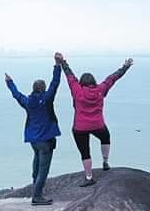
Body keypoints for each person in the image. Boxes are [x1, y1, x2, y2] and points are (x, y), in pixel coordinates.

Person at [57, 52, 133, 186]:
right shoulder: (101, 90)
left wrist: (63, 62)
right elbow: (112, 78)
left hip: (80, 127)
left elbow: (70, 76)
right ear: (93, 81)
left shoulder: (77, 90)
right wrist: (125, 67)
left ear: (82, 82)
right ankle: (105, 161)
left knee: (85, 152)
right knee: (105, 137)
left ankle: (88, 176)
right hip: (98, 125)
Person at [5, 56, 62, 205]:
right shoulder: (47, 99)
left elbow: (16, 95)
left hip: (34, 139)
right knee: (44, 168)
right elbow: (55, 83)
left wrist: (9, 82)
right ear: (43, 89)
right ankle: (37, 196)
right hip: (46, 139)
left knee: (36, 161)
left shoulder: (28, 102)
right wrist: (57, 65)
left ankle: (35, 187)